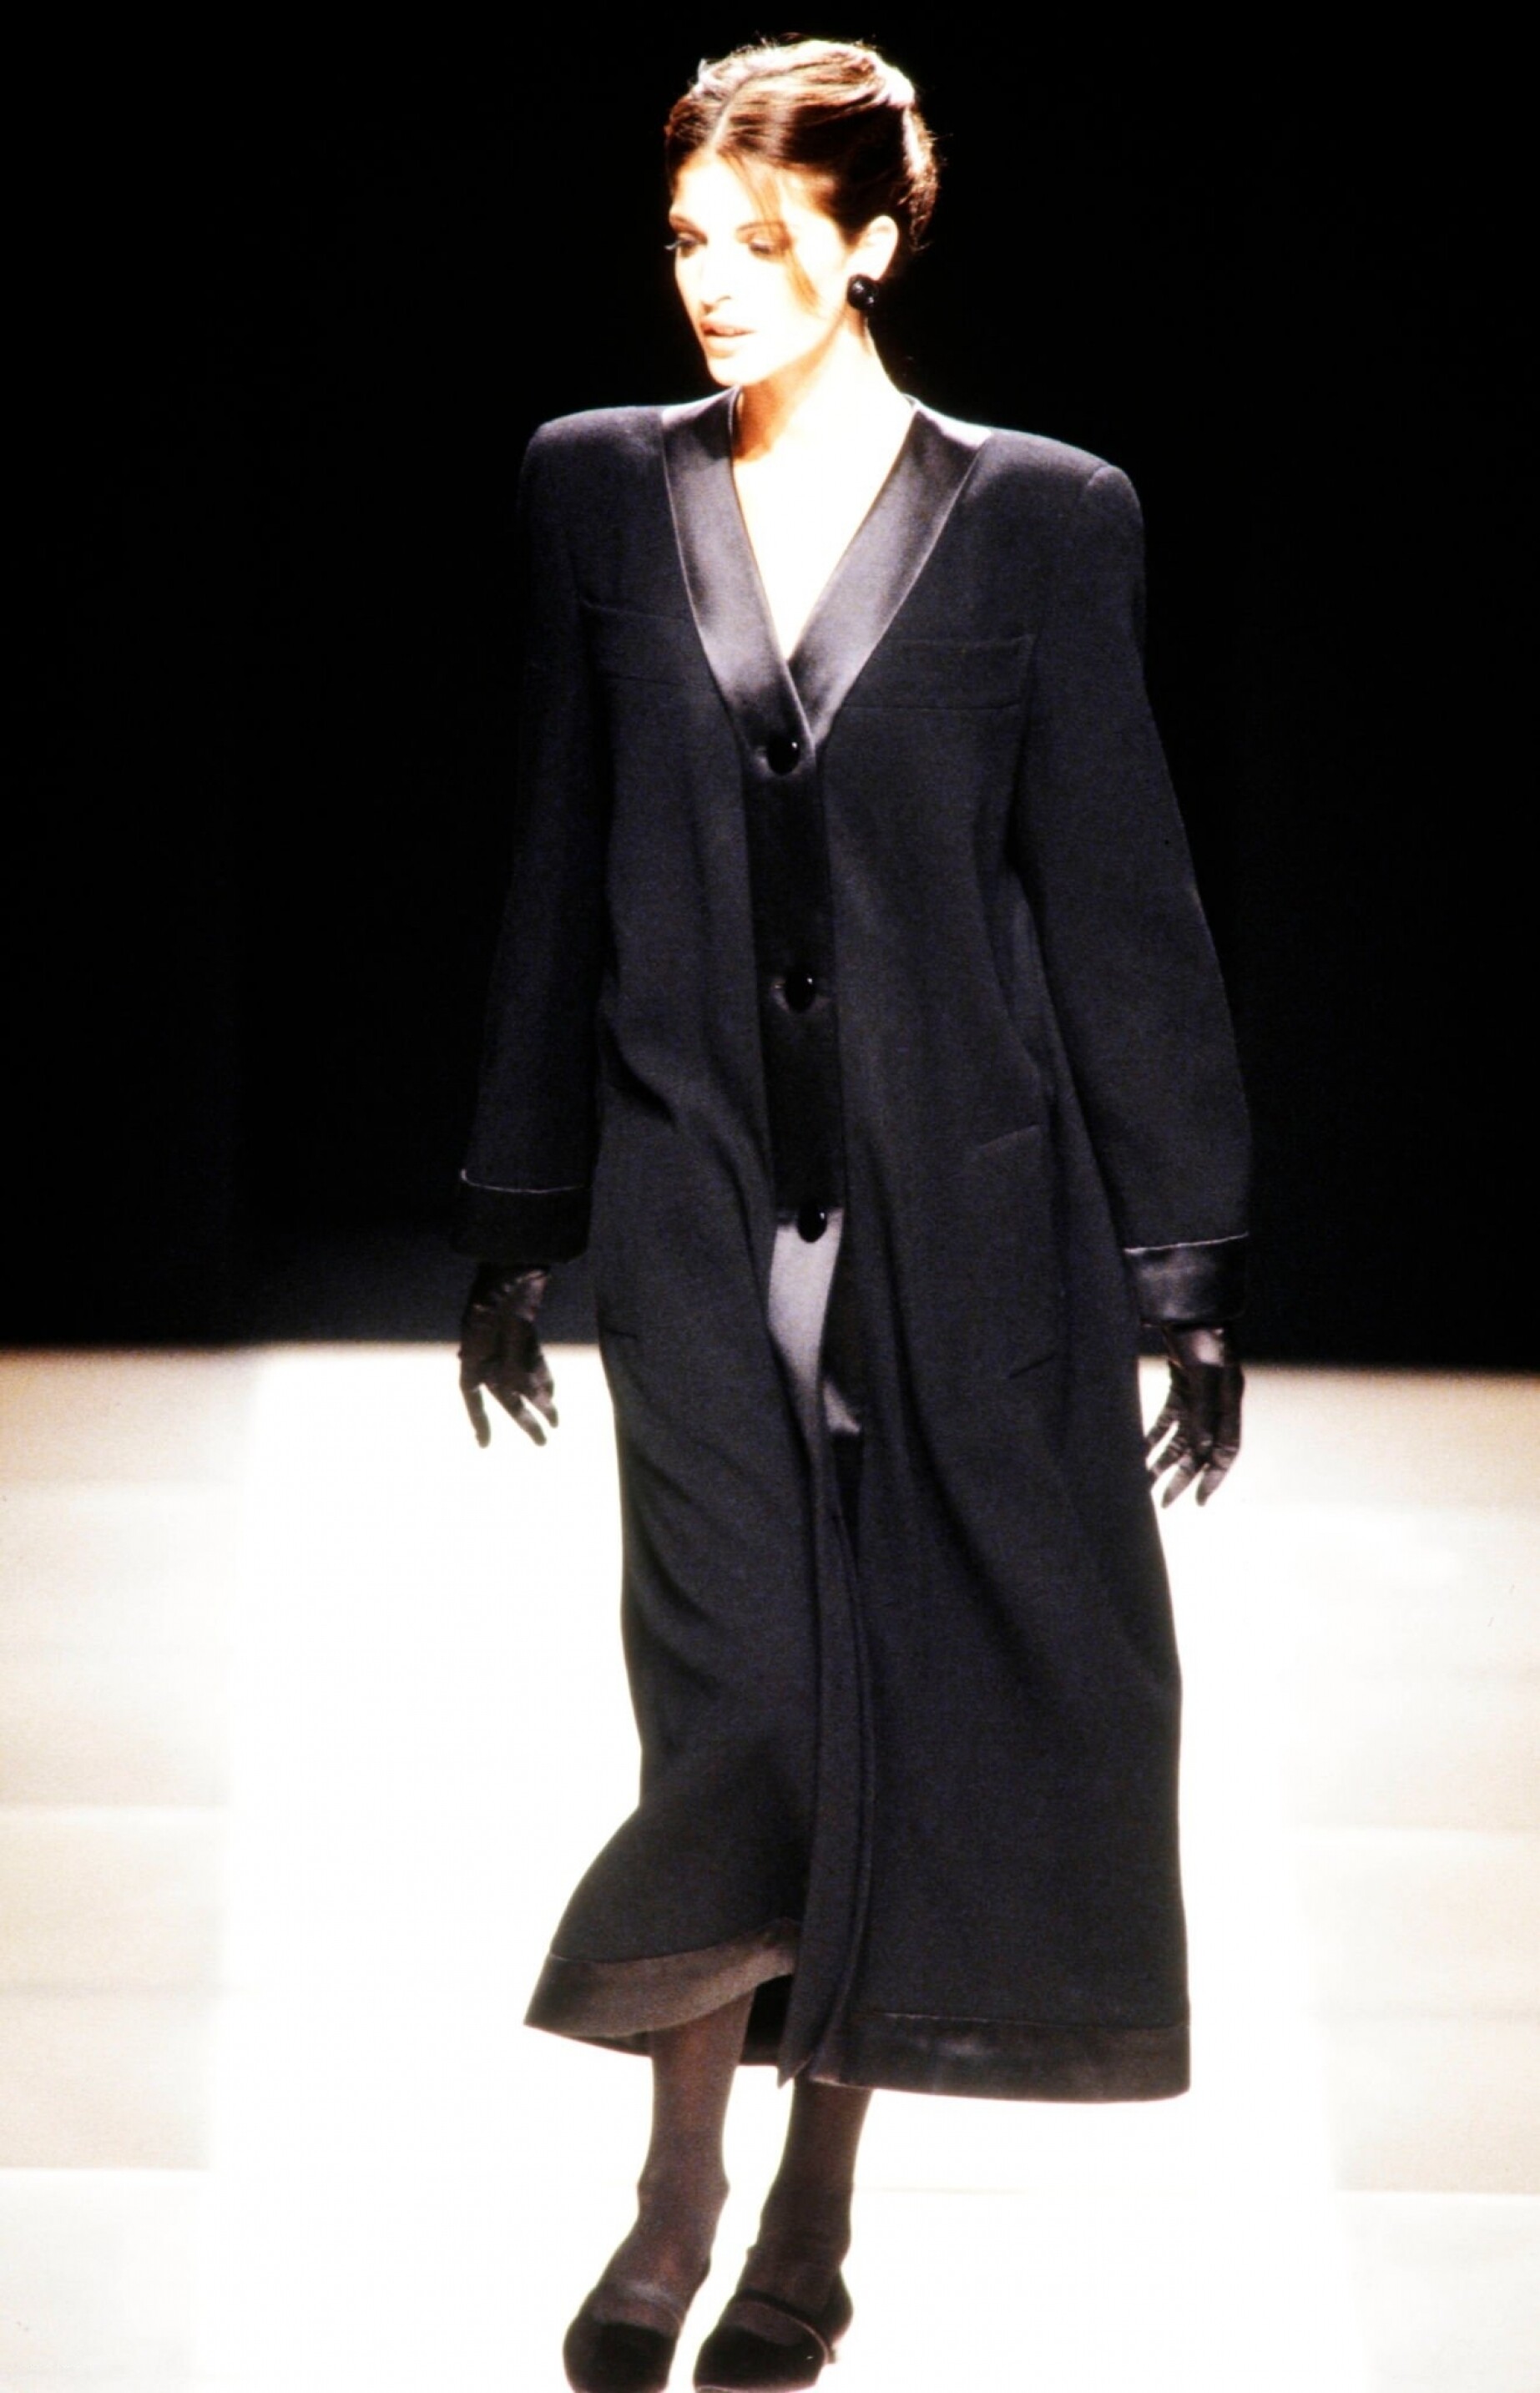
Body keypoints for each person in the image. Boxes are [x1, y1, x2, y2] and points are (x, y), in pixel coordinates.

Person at [452, 38, 1249, 2393]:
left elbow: (1115, 890)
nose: (711, 281)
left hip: (963, 1203)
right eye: (685, 239)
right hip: (693, 1186)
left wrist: (1184, 1259)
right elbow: (557, 853)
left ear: (874, 243)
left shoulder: (1043, 520)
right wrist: (519, 1204)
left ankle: (811, 2212)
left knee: (908, 1698)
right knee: (752, 1705)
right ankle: (678, 2192)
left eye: (764, 239)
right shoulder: (600, 489)